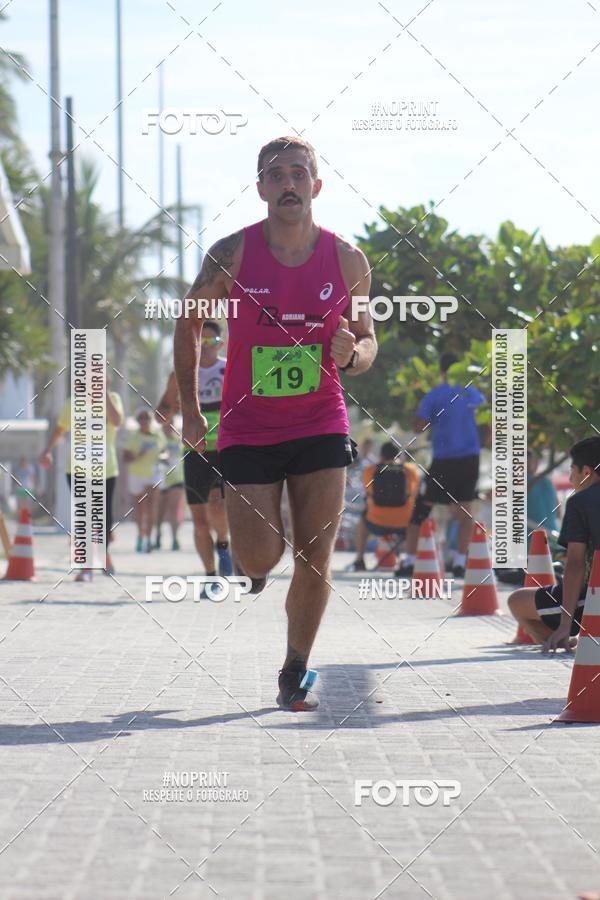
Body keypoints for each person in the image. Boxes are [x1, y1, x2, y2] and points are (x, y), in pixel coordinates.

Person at [174, 135, 377, 711]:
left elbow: (367, 341)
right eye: (275, 175)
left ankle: (294, 668)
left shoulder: (348, 260)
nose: (288, 183)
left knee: (317, 555)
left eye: (298, 173)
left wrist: (351, 354)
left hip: (320, 421)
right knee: (261, 557)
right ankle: (257, 557)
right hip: (248, 428)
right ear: (261, 187)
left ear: (316, 186)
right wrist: (191, 410)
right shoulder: (230, 254)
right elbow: (188, 324)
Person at [396, 352, 484, 579]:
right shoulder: (474, 394)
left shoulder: (434, 395)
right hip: (469, 459)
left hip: (443, 460)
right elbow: (489, 427)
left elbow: (418, 427)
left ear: (442, 372)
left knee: (421, 510)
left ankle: (410, 561)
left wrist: (425, 419)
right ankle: (459, 562)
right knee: (465, 511)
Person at [156, 320, 233, 578]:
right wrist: (170, 409)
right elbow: (160, 414)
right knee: (200, 522)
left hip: (224, 449)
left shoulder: (230, 369)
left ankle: (223, 545)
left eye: (210, 341)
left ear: (220, 344)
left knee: (219, 506)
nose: (205, 346)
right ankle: (211, 574)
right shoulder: (181, 374)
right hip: (194, 450)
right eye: (200, 341)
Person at [508, 436, 600, 650]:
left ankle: (561, 638)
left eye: (572, 471)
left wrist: (566, 624)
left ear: (586, 473)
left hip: (593, 594)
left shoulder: (581, 502)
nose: (569, 478)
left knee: (516, 601)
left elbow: (575, 564)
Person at [38, 373, 124, 579]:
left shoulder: (113, 400)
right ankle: (87, 567)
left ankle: (103, 554)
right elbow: (60, 430)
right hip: (76, 468)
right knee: (85, 516)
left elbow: (117, 421)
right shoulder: (73, 403)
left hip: (106, 469)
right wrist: (47, 450)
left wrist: (103, 396)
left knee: (103, 519)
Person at [351, 442, 420, 571]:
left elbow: (368, 492)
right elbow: (414, 493)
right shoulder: (410, 470)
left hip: (376, 522)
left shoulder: (370, 470)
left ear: (381, 455)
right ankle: (411, 560)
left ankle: (360, 559)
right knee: (416, 519)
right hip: (404, 524)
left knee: (363, 520)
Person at [123, 408, 165, 553]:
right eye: (141, 418)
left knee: (152, 506)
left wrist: (164, 458)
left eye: (147, 418)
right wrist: (137, 456)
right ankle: (140, 535)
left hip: (154, 474)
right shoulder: (133, 437)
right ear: (138, 421)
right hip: (137, 475)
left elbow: (164, 451)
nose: (144, 421)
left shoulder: (158, 435)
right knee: (140, 508)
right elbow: (125, 458)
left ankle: (149, 538)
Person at [154, 422, 186, 551]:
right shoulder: (158, 439)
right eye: (165, 425)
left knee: (174, 508)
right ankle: (158, 533)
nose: (168, 428)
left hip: (177, 478)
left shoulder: (179, 440)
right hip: (161, 479)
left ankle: (174, 538)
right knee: (160, 511)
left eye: (170, 425)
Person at [527, 448, 559, 538]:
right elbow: (558, 512)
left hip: (531, 540)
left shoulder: (516, 483)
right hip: (553, 536)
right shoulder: (548, 482)